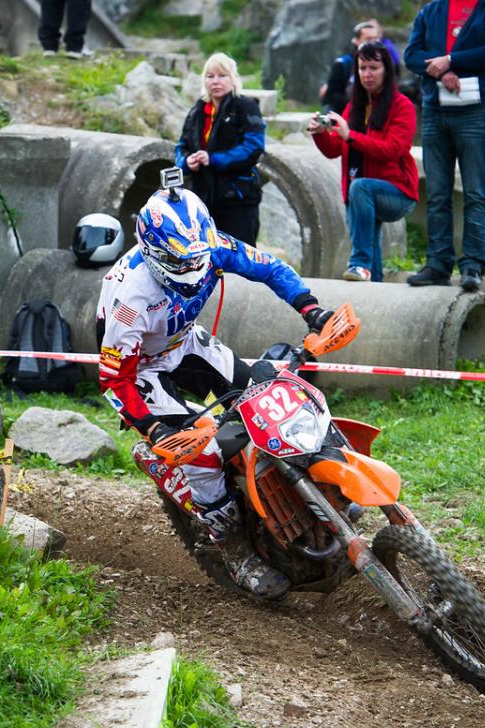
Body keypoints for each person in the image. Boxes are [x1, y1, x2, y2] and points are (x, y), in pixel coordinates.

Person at [97, 184, 334, 600]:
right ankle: (232, 548)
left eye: (197, 257)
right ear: (152, 251)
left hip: (186, 341)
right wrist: (153, 430)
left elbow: (269, 267)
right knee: (202, 453)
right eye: (178, 260)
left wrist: (310, 307)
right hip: (143, 368)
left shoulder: (208, 246)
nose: (191, 268)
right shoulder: (129, 301)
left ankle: (315, 485)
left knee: (271, 396)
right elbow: (115, 379)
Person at [403, 0, 485, 292]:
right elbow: (412, 56)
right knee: (437, 192)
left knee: (475, 190)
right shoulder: (431, 10)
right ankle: (438, 263)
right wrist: (441, 71)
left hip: (475, 110)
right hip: (435, 109)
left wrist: (452, 60)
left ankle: (472, 264)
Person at [310, 40, 419, 283]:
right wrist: (320, 134)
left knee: (360, 188)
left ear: (387, 70)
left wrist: (351, 135)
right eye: (362, 68)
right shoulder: (354, 107)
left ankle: (359, 263)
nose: (367, 74)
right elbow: (334, 150)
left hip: (398, 192)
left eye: (373, 68)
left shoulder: (403, 106)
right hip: (360, 195)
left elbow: (393, 150)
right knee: (370, 237)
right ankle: (376, 290)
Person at [174, 53, 265, 245]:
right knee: (202, 257)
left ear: (233, 79)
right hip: (202, 199)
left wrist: (213, 159)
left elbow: (253, 147)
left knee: (240, 259)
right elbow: (181, 146)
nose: (216, 81)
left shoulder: (246, 107)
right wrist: (187, 162)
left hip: (237, 198)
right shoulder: (197, 111)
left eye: (222, 75)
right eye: (210, 76)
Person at [320, 21, 382, 114]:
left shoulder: (385, 62)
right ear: (356, 41)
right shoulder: (343, 63)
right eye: (368, 39)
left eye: (376, 39)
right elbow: (332, 95)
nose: (373, 43)